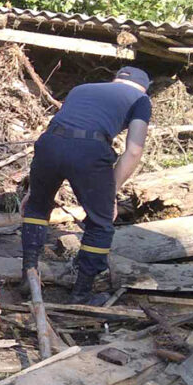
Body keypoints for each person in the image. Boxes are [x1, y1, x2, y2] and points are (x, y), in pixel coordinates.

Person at [21, 66, 152, 305]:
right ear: (144, 87)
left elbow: (62, 129)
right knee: (100, 224)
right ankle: (81, 294)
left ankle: (28, 274)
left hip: (50, 143)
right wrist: (110, 193)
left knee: (36, 209)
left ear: (115, 80)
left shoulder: (82, 89)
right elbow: (133, 151)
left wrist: (34, 190)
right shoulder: (141, 100)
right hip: (89, 150)